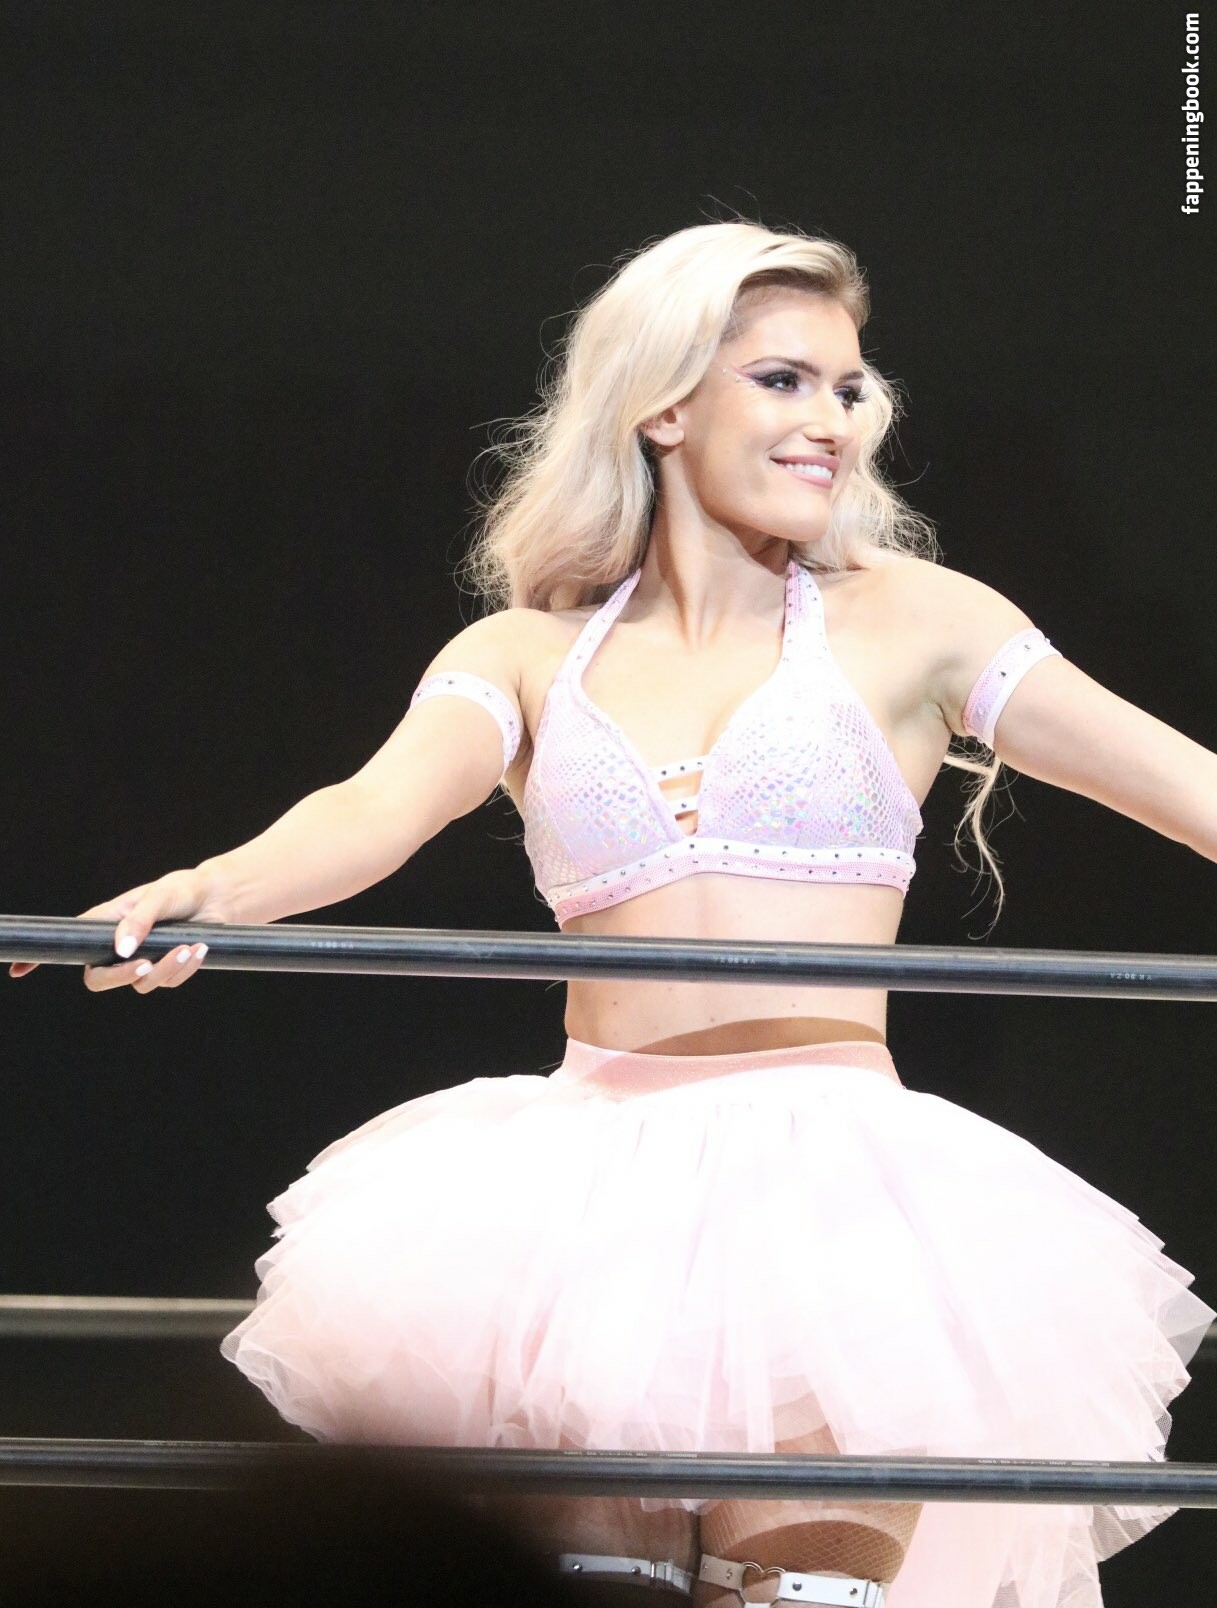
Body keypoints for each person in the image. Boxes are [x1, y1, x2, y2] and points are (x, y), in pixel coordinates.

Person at [13, 220, 1215, 1608]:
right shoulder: (525, 653)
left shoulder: (918, 619)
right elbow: (370, 810)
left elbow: (1189, 787)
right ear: (661, 405)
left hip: (840, 1202)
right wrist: (210, 893)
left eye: (847, 388)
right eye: (783, 380)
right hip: (585, 1212)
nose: (832, 420)